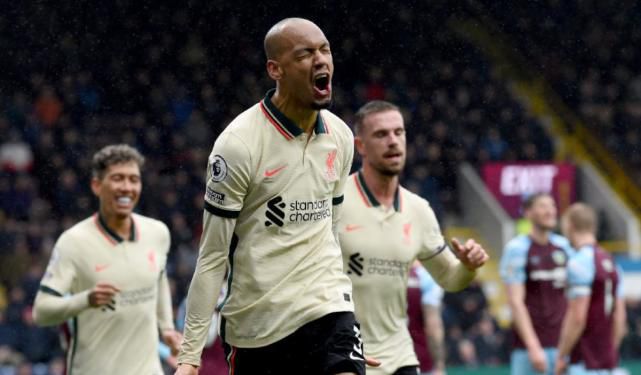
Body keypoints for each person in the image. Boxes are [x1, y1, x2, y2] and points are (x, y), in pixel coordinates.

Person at [176, 18, 376, 375]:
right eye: (305, 54)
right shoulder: (237, 145)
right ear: (275, 69)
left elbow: (330, 231)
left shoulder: (341, 137)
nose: (321, 60)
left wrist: (348, 332)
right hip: (258, 327)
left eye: (325, 50)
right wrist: (190, 356)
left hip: (327, 309)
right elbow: (213, 257)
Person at [339, 100, 489, 375]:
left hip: (401, 358)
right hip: (346, 359)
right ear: (360, 146)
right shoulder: (335, 202)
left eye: (399, 132)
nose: (393, 141)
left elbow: (449, 279)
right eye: (381, 134)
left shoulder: (419, 210)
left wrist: (467, 267)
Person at [32, 144, 181, 374]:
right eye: (118, 178)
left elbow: (158, 278)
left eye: (134, 179)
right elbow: (41, 312)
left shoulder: (157, 233)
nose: (127, 187)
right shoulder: (73, 242)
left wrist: (167, 328)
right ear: (96, 185)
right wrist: (86, 300)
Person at [500, 193, 574, 375]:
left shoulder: (565, 247)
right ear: (528, 213)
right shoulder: (517, 249)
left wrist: (570, 345)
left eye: (552, 206)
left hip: (563, 347)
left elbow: (573, 298)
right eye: (543, 206)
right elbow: (516, 303)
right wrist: (533, 347)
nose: (550, 211)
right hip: (529, 350)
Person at [555, 203, 626, 375]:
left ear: (569, 225)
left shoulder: (578, 262)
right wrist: (609, 351)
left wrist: (561, 355)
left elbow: (577, 317)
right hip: (608, 363)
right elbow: (620, 318)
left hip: (584, 362)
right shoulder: (613, 263)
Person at [407, 261, 446, 375]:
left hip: (384, 358)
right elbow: (433, 327)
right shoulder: (426, 276)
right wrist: (439, 366)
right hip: (419, 361)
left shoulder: (384, 272)